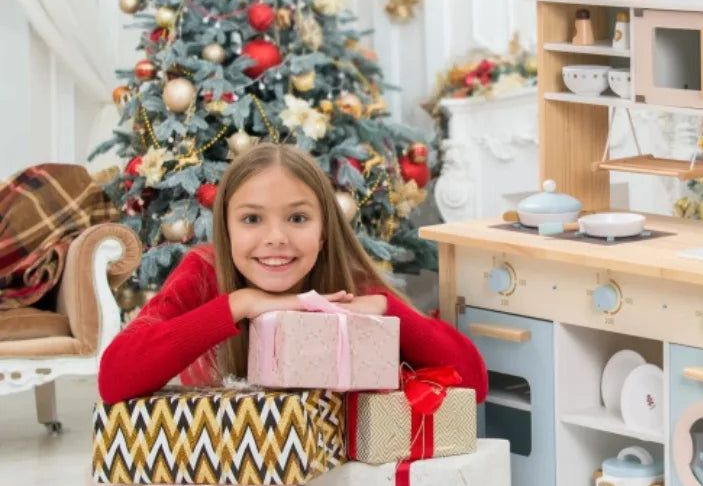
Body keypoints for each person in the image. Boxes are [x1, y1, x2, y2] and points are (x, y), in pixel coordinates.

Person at [98, 143, 487, 404]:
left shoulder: (342, 285)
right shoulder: (205, 273)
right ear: (227, 229)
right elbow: (115, 378)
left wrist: (387, 309)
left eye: (298, 218)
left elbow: (474, 384)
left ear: (322, 232)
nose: (276, 238)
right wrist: (240, 303)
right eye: (252, 219)